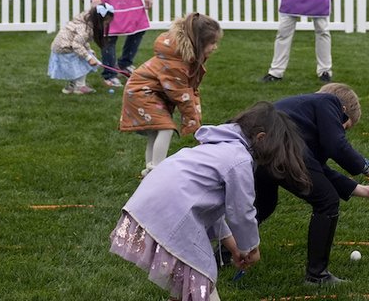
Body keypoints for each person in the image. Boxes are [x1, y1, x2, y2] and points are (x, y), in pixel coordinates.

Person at [111, 102, 311, 301]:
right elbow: (241, 212)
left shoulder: (217, 147)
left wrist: (232, 245)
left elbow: (207, 206)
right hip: (172, 216)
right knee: (201, 285)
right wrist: (250, 246)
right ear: (261, 138)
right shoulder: (239, 160)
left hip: (152, 207)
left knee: (187, 286)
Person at [255, 83, 369, 285]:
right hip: (282, 148)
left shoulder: (302, 117)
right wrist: (366, 167)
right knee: (327, 201)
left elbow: (318, 170)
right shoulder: (329, 102)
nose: (341, 132)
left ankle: (225, 254)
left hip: (262, 150)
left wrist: (363, 190)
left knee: (263, 206)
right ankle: (317, 275)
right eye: (344, 127)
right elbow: (336, 145)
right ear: (342, 111)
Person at [120, 13, 222, 177]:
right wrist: (192, 121)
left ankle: (150, 170)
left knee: (156, 131)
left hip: (148, 92)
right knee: (166, 128)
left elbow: (191, 91)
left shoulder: (184, 57)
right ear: (198, 42)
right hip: (141, 93)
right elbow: (181, 94)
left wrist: (195, 118)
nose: (215, 47)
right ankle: (157, 171)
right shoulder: (177, 63)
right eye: (212, 43)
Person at [49, 4, 114, 95]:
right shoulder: (84, 28)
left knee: (76, 66)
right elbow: (77, 44)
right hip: (65, 49)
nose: (106, 26)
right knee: (82, 64)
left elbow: (81, 41)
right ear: (99, 20)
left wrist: (89, 51)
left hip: (62, 47)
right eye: (106, 23)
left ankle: (71, 86)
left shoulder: (85, 21)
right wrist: (88, 57)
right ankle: (80, 87)